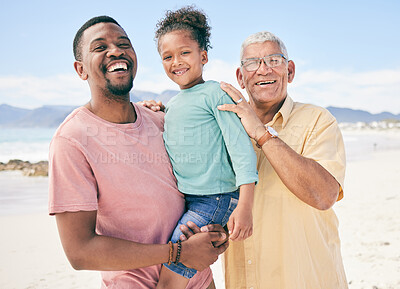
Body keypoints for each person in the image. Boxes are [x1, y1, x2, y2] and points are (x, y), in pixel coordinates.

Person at [48, 15, 228, 289]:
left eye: (124, 44)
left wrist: (215, 233)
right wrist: (178, 253)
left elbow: (201, 186)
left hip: (200, 281)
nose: (116, 51)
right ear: (80, 69)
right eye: (99, 47)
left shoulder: (161, 120)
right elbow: (80, 252)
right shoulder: (72, 140)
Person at [216, 31, 348, 288]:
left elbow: (323, 195)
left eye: (274, 60)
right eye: (252, 63)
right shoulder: (225, 128)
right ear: (240, 78)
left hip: (308, 280)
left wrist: (261, 134)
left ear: (290, 71)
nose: (263, 70)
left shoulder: (319, 120)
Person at [153, 6, 258, 289]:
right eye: (168, 56)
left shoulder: (215, 93)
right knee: (192, 276)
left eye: (185, 52)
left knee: (169, 279)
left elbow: (241, 150)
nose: (177, 61)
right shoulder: (173, 103)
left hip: (215, 199)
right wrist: (156, 109)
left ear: (203, 56)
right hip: (190, 199)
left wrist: (245, 206)